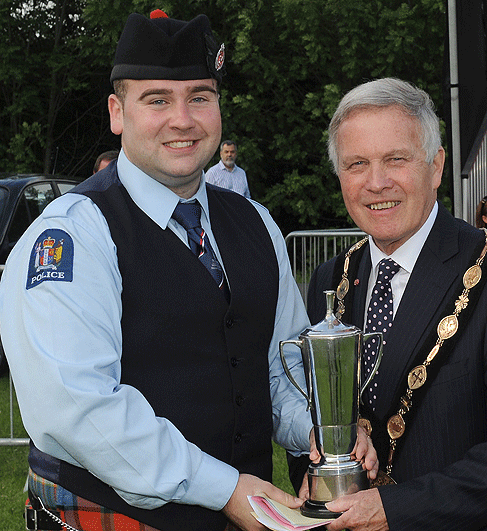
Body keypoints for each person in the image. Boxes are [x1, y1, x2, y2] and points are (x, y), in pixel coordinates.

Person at [0, 10, 376, 531]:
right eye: (157, 100)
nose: (183, 118)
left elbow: (280, 369)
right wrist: (225, 488)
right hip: (106, 516)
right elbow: (79, 410)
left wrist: (321, 432)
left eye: (200, 96)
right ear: (117, 112)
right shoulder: (72, 234)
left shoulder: (255, 223)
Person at [295, 77, 487, 531]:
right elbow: (315, 414)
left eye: (395, 160)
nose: (376, 183)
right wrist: (317, 473)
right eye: (356, 163)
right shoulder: (329, 280)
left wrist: (396, 510)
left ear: (436, 166)